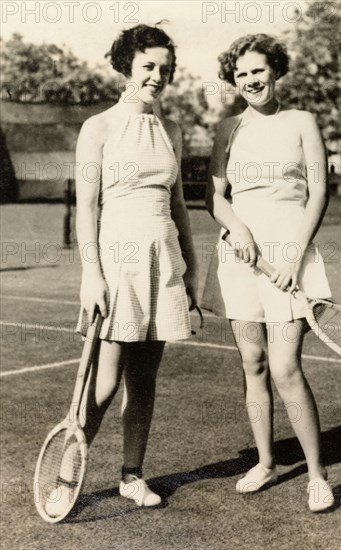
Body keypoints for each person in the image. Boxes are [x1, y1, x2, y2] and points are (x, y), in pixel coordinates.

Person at [55, 24, 198, 511]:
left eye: (166, 69)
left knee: (145, 379)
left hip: (164, 259)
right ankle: (66, 474)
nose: (158, 76)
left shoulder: (173, 130)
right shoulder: (98, 127)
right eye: (149, 67)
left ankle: (131, 475)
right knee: (106, 377)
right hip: (118, 263)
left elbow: (179, 207)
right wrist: (91, 274)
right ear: (125, 67)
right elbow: (88, 209)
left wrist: (192, 270)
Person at [202, 34, 335, 512]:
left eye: (258, 71)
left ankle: (317, 476)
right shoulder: (227, 130)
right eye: (241, 75)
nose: (250, 81)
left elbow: (318, 193)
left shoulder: (302, 122)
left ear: (275, 70)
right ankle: (265, 462)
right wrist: (235, 226)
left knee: (284, 367)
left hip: (289, 254)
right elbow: (214, 196)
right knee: (253, 365)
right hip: (239, 257)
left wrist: (293, 257)